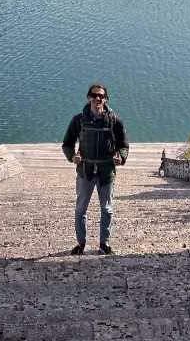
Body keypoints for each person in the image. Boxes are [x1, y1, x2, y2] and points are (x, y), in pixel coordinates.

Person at [62, 83, 128, 255]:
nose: (97, 98)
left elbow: (123, 145)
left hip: (107, 172)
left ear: (106, 99)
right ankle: (81, 244)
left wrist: (121, 157)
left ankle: (104, 244)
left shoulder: (114, 120)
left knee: (107, 209)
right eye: (94, 95)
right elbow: (67, 143)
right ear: (88, 97)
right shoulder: (78, 120)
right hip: (85, 171)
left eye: (101, 96)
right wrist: (72, 157)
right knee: (80, 210)